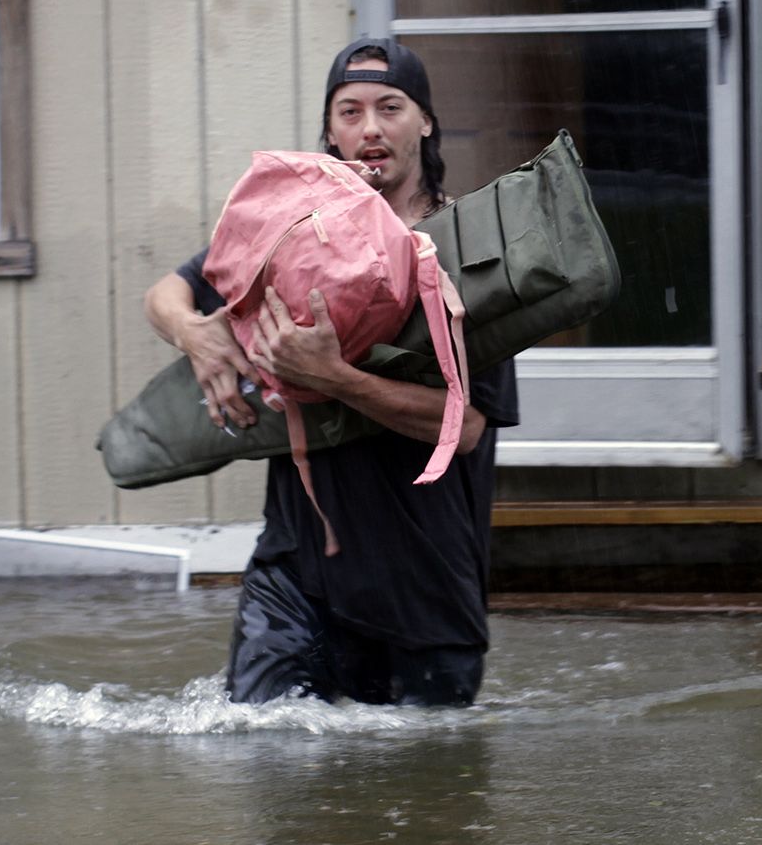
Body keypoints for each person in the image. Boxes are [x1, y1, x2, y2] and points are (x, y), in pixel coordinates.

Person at [143, 38, 519, 707]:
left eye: (390, 107)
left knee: (426, 797)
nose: (369, 127)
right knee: (261, 758)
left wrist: (335, 376)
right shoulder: (292, 234)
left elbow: (463, 430)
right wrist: (196, 336)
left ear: (426, 122)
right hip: (295, 576)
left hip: (423, 593)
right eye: (349, 111)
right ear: (330, 130)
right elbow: (166, 293)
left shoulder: (471, 253)